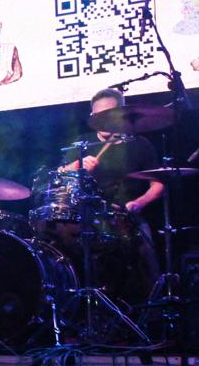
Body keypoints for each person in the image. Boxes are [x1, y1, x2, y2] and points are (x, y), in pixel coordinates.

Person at [57, 88, 162, 306]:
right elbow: (60, 176)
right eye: (98, 115)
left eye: (109, 114)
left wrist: (139, 203)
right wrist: (76, 166)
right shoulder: (82, 144)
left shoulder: (139, 144)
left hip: (128, 217)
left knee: (146, 260)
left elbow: (159, 183)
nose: (103, 120)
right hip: (88, 219)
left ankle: (151, 312)